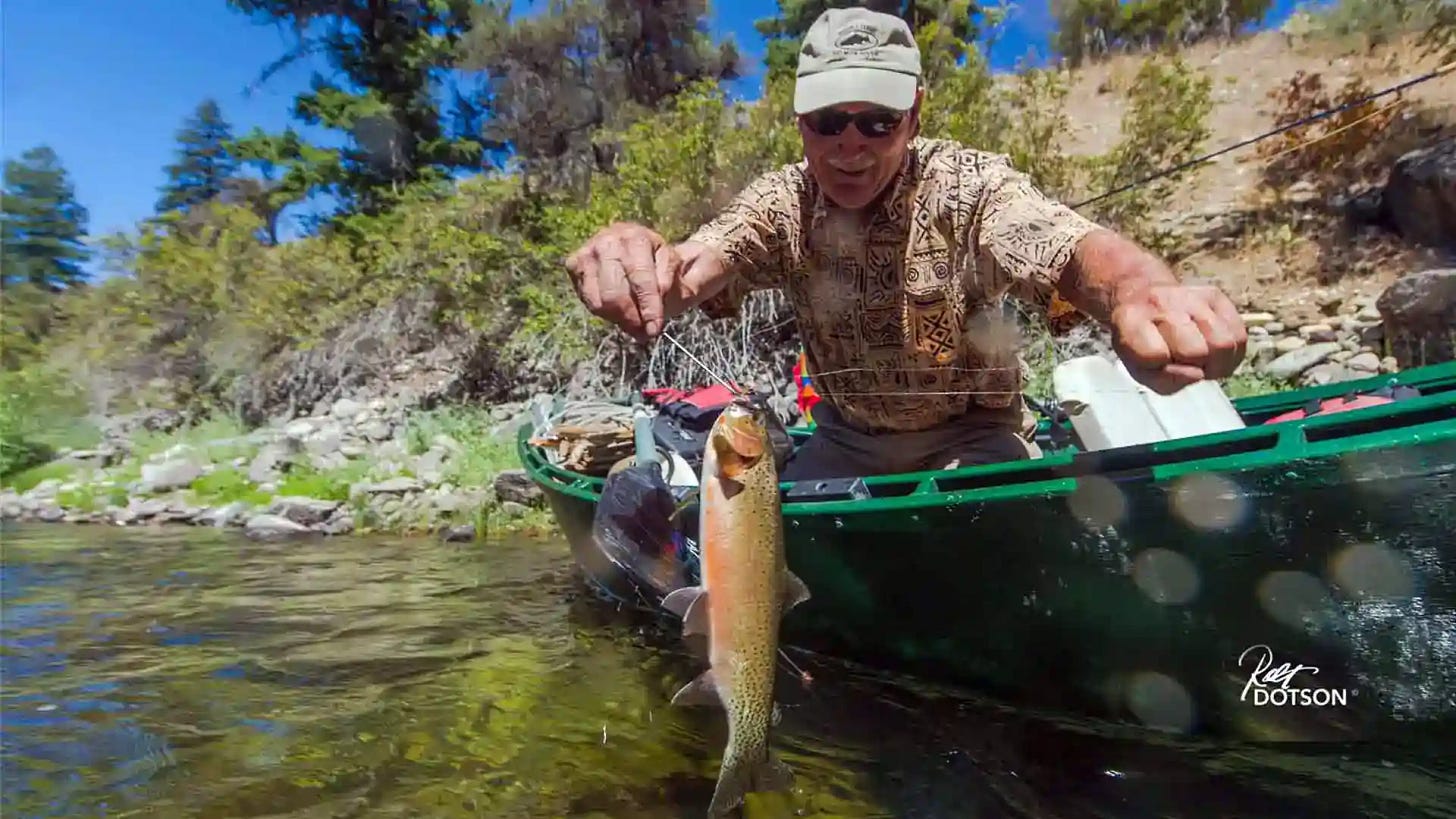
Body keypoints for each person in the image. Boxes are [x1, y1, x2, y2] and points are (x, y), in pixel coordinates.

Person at [563, 7, 1247, 482]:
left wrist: (1140, 291)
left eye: (878, 119)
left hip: (976, 437)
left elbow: (1069, 246)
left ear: (914, 113)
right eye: (829, 121)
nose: (850, 144)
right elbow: (692, 266)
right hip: (843, 440)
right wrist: (640, 257)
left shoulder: (969, 184)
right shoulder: (781, 204)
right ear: (801, 122)